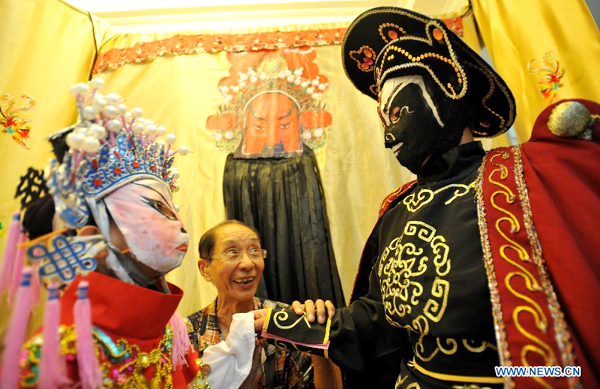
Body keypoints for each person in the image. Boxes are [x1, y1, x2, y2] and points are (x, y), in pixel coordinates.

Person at [255, 6, 600, 388]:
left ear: (449, 94)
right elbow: (381, 324)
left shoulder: (524, 175)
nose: (389, 137)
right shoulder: (397, 209)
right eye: (385, 120)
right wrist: (295, 323)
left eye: (400, 110)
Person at [0, 78, 256, 389]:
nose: (179, 225)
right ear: (93, 235)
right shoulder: (61, 353)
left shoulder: (170, 333)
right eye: (153, 210)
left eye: (172, 211)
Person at [187, 220, 342, 389]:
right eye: (232, 252)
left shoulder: (286, 320)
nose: (248, 264)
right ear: (205, 269)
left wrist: (318, 337)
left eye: (255, 251)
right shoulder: (186, 335)